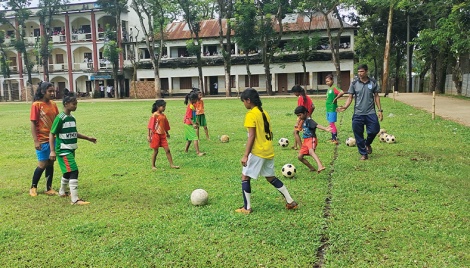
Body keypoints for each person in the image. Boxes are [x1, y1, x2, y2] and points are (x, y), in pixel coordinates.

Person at [236, 88, 298, 214]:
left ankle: (246, 208)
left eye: (244, 101)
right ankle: (290, 201)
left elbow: (252, 136)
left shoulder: (251, 115)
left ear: (248, 100)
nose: (244, 104)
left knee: (245, 176)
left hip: (258, 151)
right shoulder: (264, 112)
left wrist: (245, 155)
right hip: (268, 150)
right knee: (270, 177)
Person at [49, 93, 97, 205]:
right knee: (74, 171)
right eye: (74, 104)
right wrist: (52, 151)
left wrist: (88, 138)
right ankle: (75, 199)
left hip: (71, 149)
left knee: (67, 171)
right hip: (63, 150)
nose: (76, 106)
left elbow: (74, 133)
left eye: (76, 104)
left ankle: (62, 192)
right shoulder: (60, 118)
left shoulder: (72, 118)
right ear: (66, 104)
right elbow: (52, 134)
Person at [337, 64, 383, 160]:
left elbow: (376, 96)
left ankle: (367, 144)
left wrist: (379, 110)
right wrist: (345, 106)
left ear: (366, 71)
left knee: (375, 129)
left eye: (361, 71)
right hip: (358, 113)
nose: (360, 73)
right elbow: (350, 97)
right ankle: (363, 153)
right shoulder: (354, 84)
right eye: (358, 72)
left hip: (370, 112)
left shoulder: (373, 82)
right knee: (358, 134)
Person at [29, 81, 59, 197]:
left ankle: (48, 188)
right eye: (50, 91)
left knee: (51, 163)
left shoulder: (53, 104)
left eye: (53, 91)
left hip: (53, 138)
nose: (52, 93)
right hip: (42, 139)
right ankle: (33, 187)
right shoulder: (36, 105)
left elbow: (57, 120)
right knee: (42, 164)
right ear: (43, 92)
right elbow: (33, 123)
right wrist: (36, 140)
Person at [295, 106, 332, 174]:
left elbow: (317, 125)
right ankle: (311, 168)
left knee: (311, 151)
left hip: (311, 138)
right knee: (300, 157)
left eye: (300, 115)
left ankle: (320, 166)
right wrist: (297, 123)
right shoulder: (302, 120)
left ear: (305, 113)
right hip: (305, 140)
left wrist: (325, 128)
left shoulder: (309, 120)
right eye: (298, 116)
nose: (299, 117)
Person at [147, 99, 179, 170]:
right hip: (156, 135)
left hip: (162, 135)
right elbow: (150, 126)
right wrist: (148, 135)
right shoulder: (155, 115)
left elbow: (165, 125)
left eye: (165, 106)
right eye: (163, 106)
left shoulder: (163, 115)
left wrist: (167, 133)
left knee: (167, 150)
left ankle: (172, 164)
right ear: (158, 107)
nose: (164, 108)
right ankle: (153, 165)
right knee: (156, 151)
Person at [291, 85, 314, 150]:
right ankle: (295, 145)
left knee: (295, 132)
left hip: (301, 117)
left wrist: (297, 122)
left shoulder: (300, 98)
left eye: (294, 92)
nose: (294, 94)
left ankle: (302, 148)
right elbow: (313, 106)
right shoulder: (307, 97)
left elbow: (300, 111)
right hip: (307, 117)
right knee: (296, 131)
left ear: (297, 92)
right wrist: (309, 115)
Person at [183, 91, 205, 156]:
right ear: (193, 99)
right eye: (197, 98)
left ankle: (186, 150)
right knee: (195, 138)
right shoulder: (190, 106)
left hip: (189, 123)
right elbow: (189, 116)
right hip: (188, 124)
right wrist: (193, 124)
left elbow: (194, 114)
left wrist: (196, 121)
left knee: (189, 139)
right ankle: (198, 152)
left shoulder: (193, 105)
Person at [325, 74, 344, 145]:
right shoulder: (329, 88)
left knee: (332, 124)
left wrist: (336, 98)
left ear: (332, 80)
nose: (327, 83)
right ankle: (332, 138)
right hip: (328, 108)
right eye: (326, 81)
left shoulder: (334, 87)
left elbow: (342, 92)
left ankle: (334, 139)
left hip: (332, 108)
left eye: (328, 81)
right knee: (330, 124)